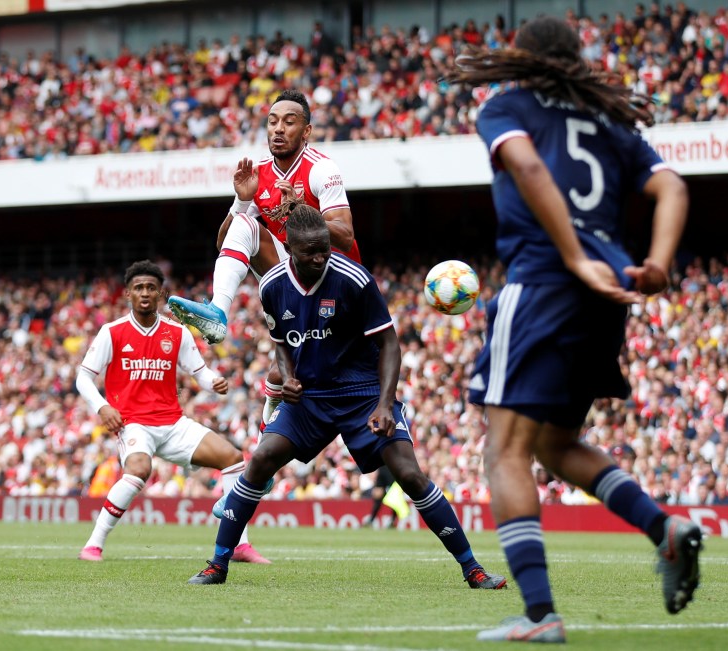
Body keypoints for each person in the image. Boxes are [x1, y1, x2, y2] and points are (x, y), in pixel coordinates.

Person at [448, 15, 699, 643]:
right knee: (554, 447)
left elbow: (531, 171)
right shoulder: (615, 124)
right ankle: (664, 530)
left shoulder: (508, 104)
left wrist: (571, 254)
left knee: (504, 451)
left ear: (522, 58)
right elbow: (671, 186)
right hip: (609, 294)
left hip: (544, 283)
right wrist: (660, 264)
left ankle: (540, 616)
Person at [186, 205, 506, 591]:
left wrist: (385, 403)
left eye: (324, 248)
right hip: (310, 397)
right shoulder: (271, 286)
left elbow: (389, 344)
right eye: (312, 252)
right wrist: (287, 378)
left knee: (409, 474)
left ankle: (472, 568)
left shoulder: (354, 279)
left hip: (362, 393)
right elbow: (281, 345)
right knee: (261, 460)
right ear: (288, 246)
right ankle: (217, 564)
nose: (322, 257)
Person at [168, 88, 360, 429]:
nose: (278, 129)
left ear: (306, 131)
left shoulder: (322, 169)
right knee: (244, 223)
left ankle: (273, 398)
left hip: (335, 279)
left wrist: (301, 210)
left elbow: (345, 236)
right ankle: (217, 313)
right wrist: (241, 202)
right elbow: (223, 242)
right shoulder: (259, 175)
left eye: (289, 122)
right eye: (272, 122)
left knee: (287, 372)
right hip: (294, 273)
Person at [75, 260, 268, 564]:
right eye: (138, 287)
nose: (145, 293)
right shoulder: (112, 332)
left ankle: (238, 545)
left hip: (173, 423)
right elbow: (82, 378)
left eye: (151, 287)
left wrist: (212, 382)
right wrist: (102, 406)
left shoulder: (177, 332)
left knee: (233, 460)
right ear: (128, 293)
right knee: (138, 470)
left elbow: (199, 372)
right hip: (134, 424)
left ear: (160, 293)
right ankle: (93, 545)